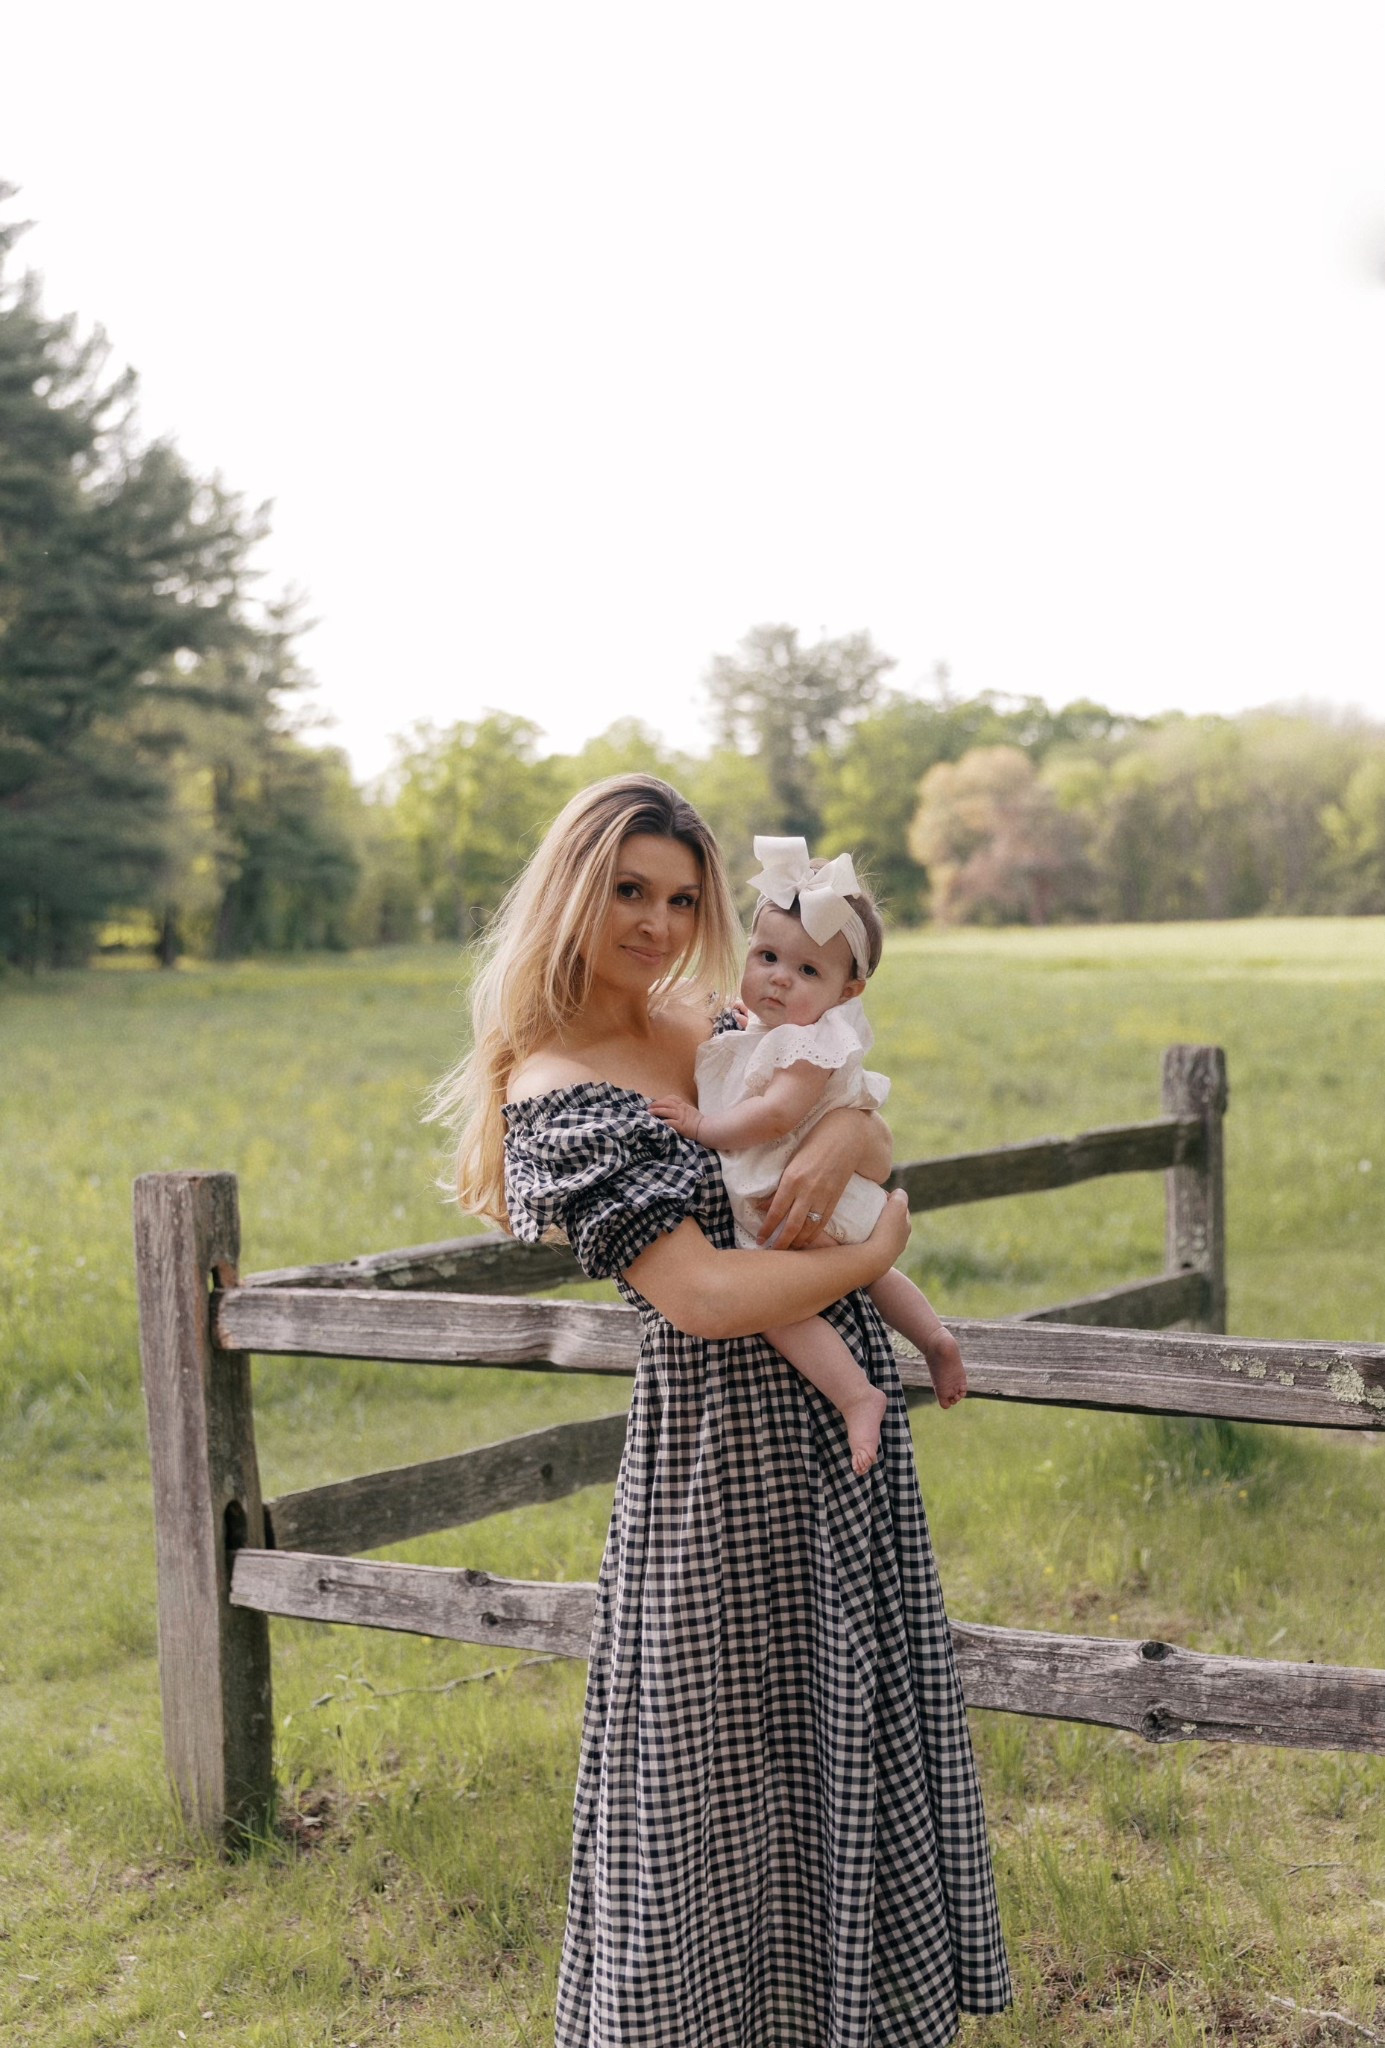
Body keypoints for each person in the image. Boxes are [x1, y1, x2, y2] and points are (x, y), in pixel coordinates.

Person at [432, 775, 1011, 2048]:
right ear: (571, 893)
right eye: (627, 890)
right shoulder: (557, 1084)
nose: (653, 920)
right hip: (716, 1453)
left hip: (837, 1425)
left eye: (680, 896)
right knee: (712, 1766)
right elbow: (697, 1293)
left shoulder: (712, 1016)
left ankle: (847, 2016)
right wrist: (876, 1252)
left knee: (846, 1724)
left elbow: (845, 1114)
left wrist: (855, 1153)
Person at [649, 835, 966, 1477]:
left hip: (805, 1194)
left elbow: (776, 1115)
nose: (779, 977)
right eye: (766, 956)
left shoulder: (810, 1044)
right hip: (822, 1194)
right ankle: (933, 1338)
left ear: (847, 993)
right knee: (868, 1274)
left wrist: (703, 1125)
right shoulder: (769, 1030)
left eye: (807, 972)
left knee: (777, 1305)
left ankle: (857, 1395)